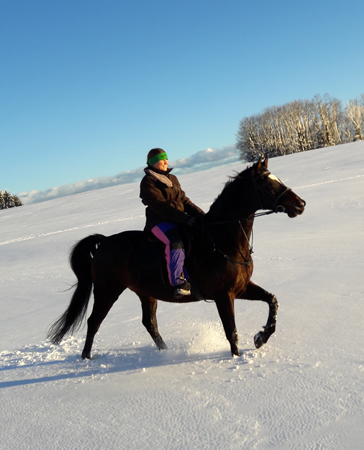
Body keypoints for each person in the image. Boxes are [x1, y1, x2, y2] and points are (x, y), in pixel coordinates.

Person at [140, 148, 205, 298]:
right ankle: (178, 282)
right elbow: (161, 208)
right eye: (160, 159)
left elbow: (184, 200)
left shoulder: (172, 178)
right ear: (152, 163)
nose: (165, 161)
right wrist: (186, 219)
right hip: (159, 222)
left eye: (166, 158)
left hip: (177, 219)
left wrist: (200, 215)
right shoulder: (148, 181)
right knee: (176, 240)